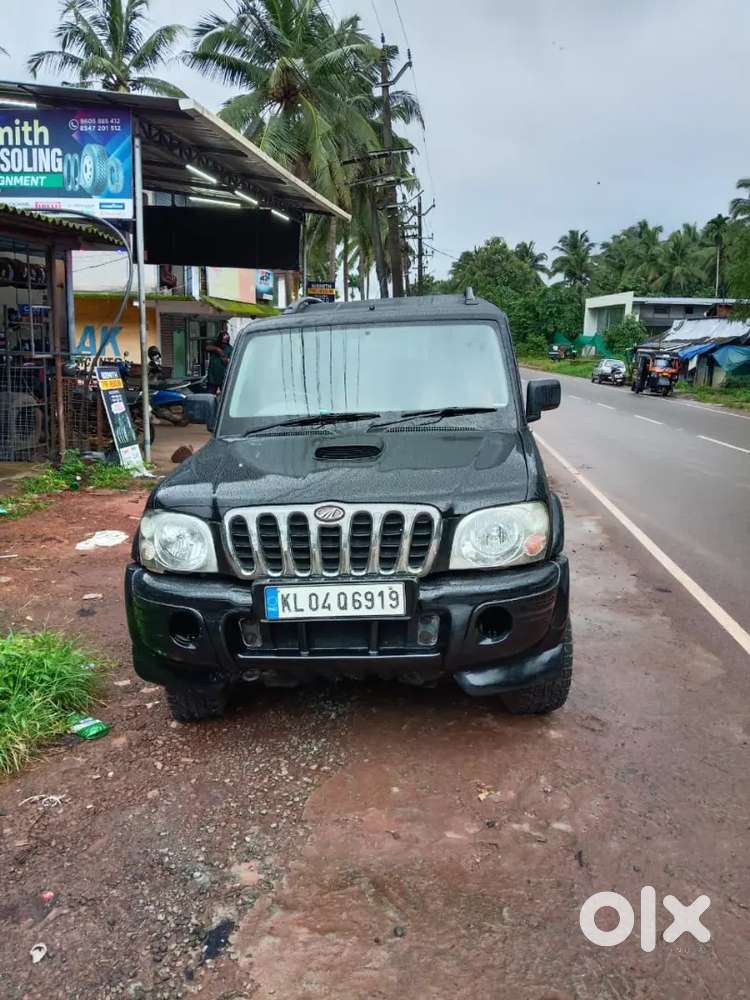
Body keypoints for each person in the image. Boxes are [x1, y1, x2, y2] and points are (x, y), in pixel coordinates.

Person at [206, 327, 233, 394]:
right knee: (209, 397)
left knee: (225, 396)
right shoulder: (215, 346)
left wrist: (225, 359)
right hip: (212, 379)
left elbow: (231, 363)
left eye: (225, 342)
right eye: (222, 342)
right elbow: (206, 347)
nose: (224, 344)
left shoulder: (230, 349)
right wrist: (218, 350)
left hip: (224, 379)